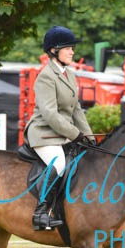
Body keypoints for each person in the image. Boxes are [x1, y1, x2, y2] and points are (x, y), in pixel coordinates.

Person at [23, 26, 95, 231]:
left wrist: (89, 136)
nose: (72, 52)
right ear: (54, 51)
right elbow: (50, 114)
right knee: (59, 163)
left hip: (62, 134)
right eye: (68, 48)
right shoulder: (46, 76)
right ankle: (40, 214)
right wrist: (75, 134)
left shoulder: (69, 74)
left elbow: (76, 109)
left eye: (72, 48)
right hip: (44, 133)